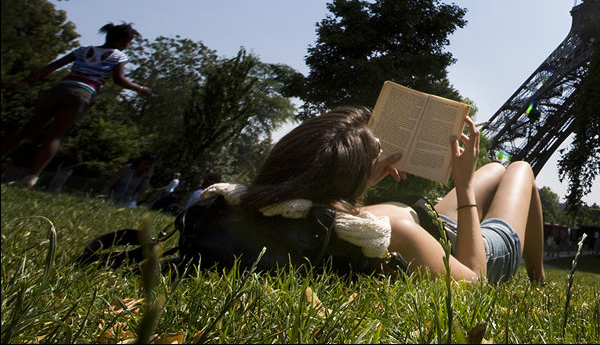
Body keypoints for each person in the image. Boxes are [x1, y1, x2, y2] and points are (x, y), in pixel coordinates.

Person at [211, 106, 544, 284]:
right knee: (519, 169)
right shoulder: (397, 233)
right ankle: (537, 276)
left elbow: (327, 202)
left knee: (494, 169)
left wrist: (362, 182)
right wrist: (464, 185)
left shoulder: (295, 213)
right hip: (471, 247)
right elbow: (475, 282)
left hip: (437, 224)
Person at [2, 23, 149, 188]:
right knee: (54, 136)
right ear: (120, 41)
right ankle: (30, 177)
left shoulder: (82, 50)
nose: (127, 45)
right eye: (128, 42)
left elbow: (53, 66)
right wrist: (140, 88)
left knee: (27, 130)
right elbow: (119, 80)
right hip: (82, 94)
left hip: (61, 88)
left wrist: (25, 82)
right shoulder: (118, 56)